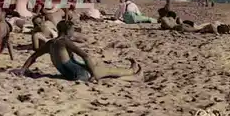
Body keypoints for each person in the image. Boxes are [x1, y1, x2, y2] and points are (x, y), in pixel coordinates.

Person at [12, 20, 142, 82]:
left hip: (68, 74)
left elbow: (33, 56)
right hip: (78, 74)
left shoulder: (51, 43)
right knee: (105, 70)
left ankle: (131, 73)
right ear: (67, 31)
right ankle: (133, 73)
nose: (74, 32)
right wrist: (93, 75)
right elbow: (85, 56)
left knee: (100, 67)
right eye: (72, 30)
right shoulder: (65, 41)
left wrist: (24, 69)